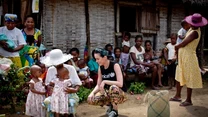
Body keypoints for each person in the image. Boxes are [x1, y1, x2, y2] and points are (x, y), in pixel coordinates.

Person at [170, 13, 207, 106]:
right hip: (183, 57)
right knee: (179, 75)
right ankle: (177, 96)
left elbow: (183, 43)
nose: (191, 25)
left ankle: (188, 100)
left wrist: (176, 47)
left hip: (189, 57)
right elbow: (184, 24)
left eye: (193, 24)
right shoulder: (191, 29)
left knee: (189, 77)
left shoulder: (195, 32)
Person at [41, 49, 82, 116]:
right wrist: (52, 89)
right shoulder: (51, 70)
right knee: (52, 104)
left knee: (66, 105)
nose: (56, 64)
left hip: (69, 93)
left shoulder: (70, 68)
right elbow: (48, 84)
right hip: (55, 94)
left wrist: (74, 90)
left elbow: (77, 84)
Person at [87, 48, 126, 117]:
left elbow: (120, 83)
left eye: (98, 59)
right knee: (92, 99)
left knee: (113, 87)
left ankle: (115, 111)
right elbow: (98, 85)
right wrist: (92, 93)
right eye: (95, 59)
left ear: (104, 57)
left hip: (119, 93)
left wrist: (105, 81)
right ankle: (109, 106)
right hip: (107, 92)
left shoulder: (115, 65)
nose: (96, 61)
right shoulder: (100, 67)